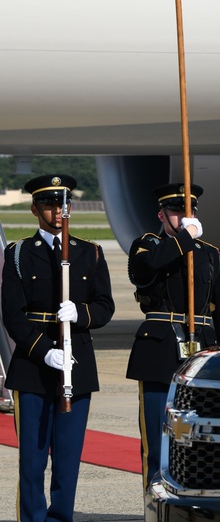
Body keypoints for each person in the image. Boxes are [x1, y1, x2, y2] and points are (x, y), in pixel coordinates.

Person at [1, 174, 115, 522]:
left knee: (67, 459)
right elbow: (12, 315)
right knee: (33, 462)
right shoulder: (19, 253)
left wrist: (81, 313)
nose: (57, 210)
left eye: (62, 203)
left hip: (75, 365)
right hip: (34, 367)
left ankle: (61, 518)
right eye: (49, 204)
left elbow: (105, 306)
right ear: (36, 208)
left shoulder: (89, 252)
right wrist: (43, 350)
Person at [125, 182, 220, 490]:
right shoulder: (146, 245)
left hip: (201, 348)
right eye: (176, 212)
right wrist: (184, 239)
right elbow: (148, 267)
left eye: (189, 212)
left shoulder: (211, 254)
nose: (184, 218)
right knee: (157, 444)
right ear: (162, 215)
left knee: (200, 442)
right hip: (159, 350)